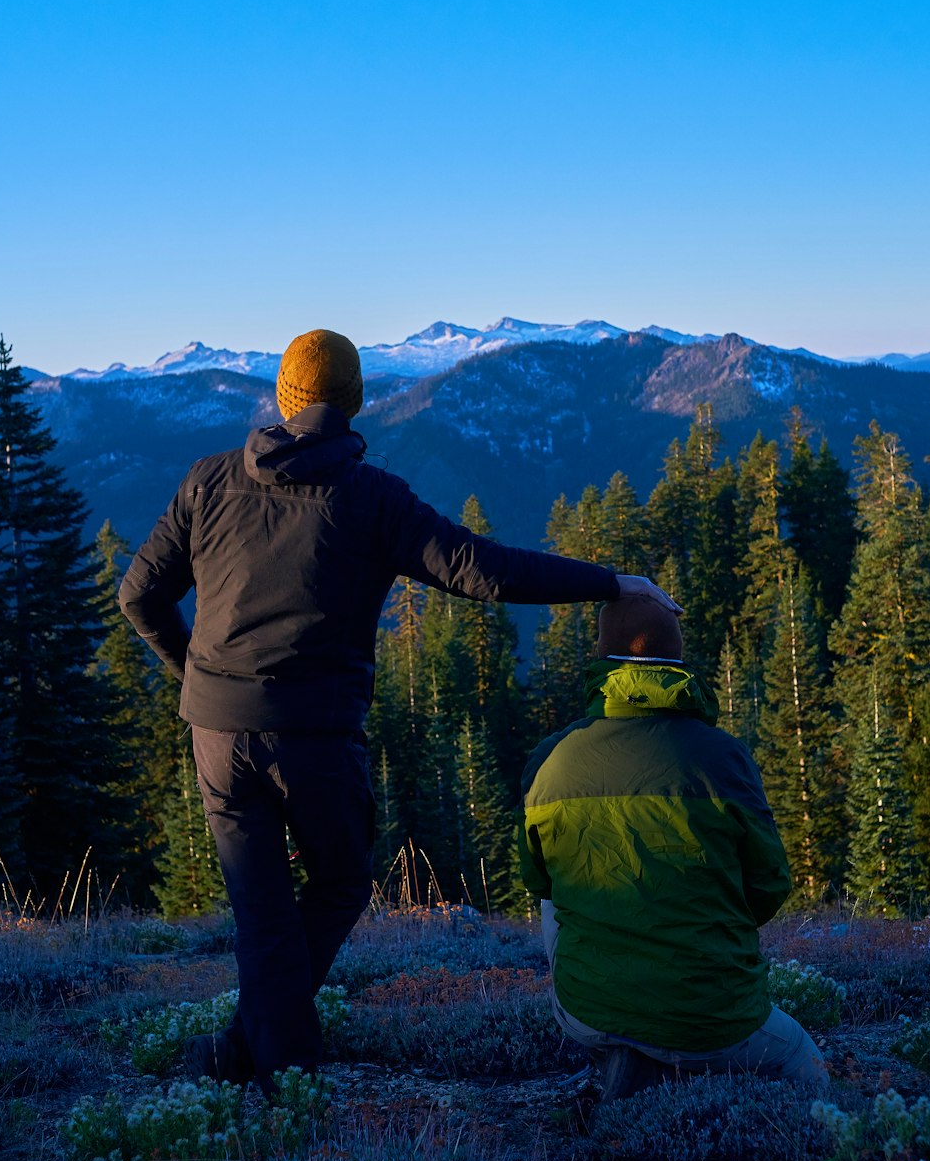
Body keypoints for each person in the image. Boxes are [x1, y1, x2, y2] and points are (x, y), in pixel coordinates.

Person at [119, 328, 679, 1095]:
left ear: (281, 399)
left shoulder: (209, 481)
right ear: (354, 405)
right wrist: (613, 583)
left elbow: (137, 596)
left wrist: (196, 674)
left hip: (216, 732)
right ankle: (284, 1078)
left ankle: (249, 1053)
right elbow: (483, 570)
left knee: (262, 912)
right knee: (341, 882)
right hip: (314, 735)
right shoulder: (371, 500)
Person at [518, 593, 828, 1100]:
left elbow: (537, 879)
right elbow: (770, 886)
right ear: (677, 661)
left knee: (554, 894)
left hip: (587, 1012)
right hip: (716, 1020)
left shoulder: (551, 759)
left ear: (603, 661)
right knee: (803, 1062)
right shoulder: (725, 758)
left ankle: (630, 1052)